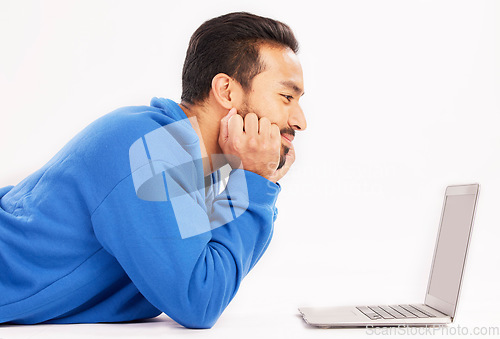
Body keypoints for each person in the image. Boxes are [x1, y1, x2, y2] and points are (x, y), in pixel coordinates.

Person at [0, 11, 306, 328]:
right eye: (286, 97)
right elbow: (199, 300)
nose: (300, 121)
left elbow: (210, 268)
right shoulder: (150, 149)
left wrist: (251, 181)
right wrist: (255, 183)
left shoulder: (187, 156)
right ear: (227, 91)